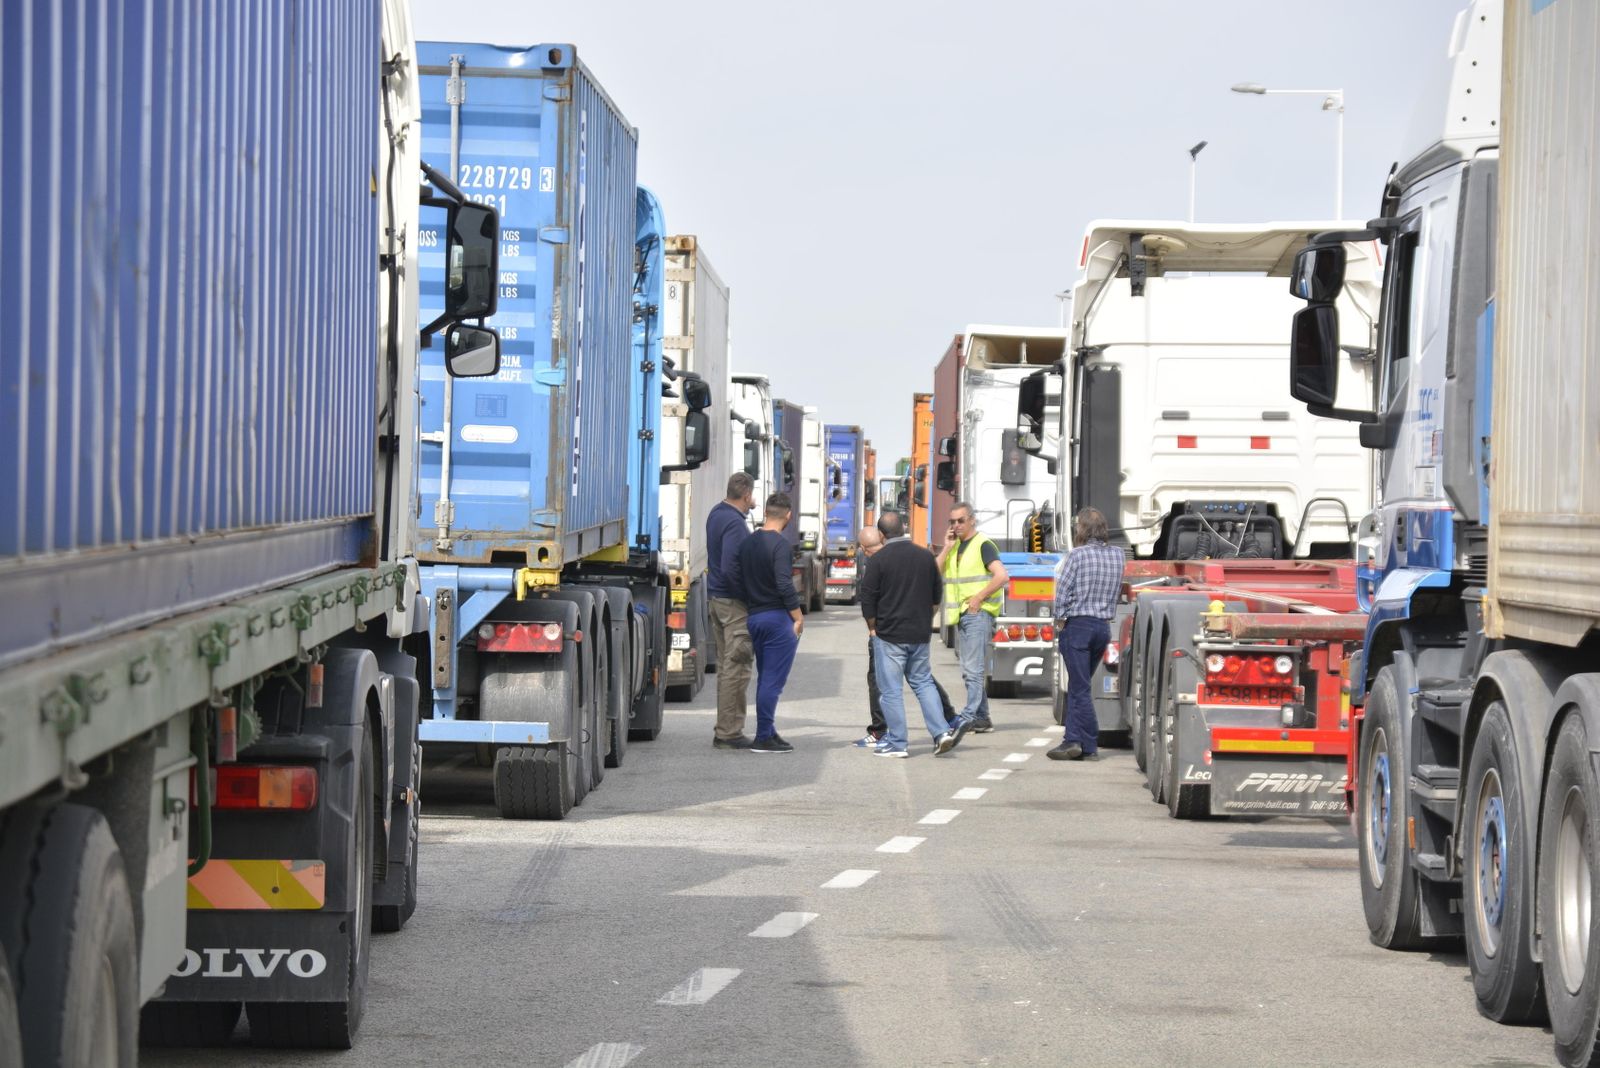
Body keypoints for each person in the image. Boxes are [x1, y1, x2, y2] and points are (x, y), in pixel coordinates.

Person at [860, 512, 967, 757]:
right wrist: (925, 619)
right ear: (904, 528)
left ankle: (897, 743)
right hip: (919, 633)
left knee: (891, 691)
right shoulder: (925, 557)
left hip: (889, 635)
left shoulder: (878, 561)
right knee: (923, 682)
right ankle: (941, 732)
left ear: (881, 535)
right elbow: (935, 595)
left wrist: (873, 627)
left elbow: (868, 597)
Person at [1048, 507, 1126, 761]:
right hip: (1102, 627)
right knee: (1079, 684)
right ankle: (1072, 739)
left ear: (1080, 529)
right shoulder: (1118, 555)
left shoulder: (1076, 556)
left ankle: (1089, 744)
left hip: (1078, 626)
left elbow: (1062, 593)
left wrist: (1059, 621)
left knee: (1080, 688)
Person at [737, 493, 804, 753]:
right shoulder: (781, 546)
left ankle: (769, 730)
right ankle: (763, 736)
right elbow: (784, 584)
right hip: (777, 618)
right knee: (772, 682)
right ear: (788, 515)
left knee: (766, 676)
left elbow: (740, 578)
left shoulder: (748, 543)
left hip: (754, 616)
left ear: (765, 512)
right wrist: (797, 616)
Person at [936, 502, 1008, 733]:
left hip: (978, 613)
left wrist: (978, 598)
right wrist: (946, 548)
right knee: (969, 669)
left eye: (960, 521)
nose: (956, 525)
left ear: (972, 520)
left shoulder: (983, 545)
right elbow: (933, 570)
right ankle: (982, 718)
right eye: (952, 521)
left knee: (972, 669)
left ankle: (968, 716)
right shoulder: (956, 547)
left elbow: (1001, 576)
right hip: (963, 615)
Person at [706, 472, 756, 749]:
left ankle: (725, 728)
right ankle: (729, 732)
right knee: (737, 667)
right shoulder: (736, 524)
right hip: (733, 604)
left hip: (716, 599)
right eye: (752, 497)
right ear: (747, 495)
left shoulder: (717, 513)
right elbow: (730, 567)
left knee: (727, 668)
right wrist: (748, 596)